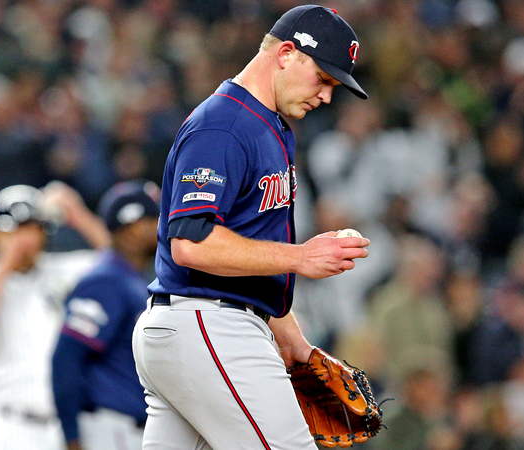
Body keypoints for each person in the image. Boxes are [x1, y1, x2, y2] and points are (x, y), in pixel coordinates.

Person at [132, 5, 371, 450]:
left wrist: (291, 338)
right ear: (286, 53)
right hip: (208, 324)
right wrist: (302, 257)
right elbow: (191, 243)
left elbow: (250, 248)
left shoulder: (268, 125)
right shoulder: (223, 125)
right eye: (323, 79)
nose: (326, 96)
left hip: (202, 326)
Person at [0, 182, 110, 450]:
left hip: (72, 424)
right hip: (13, 425)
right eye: (15, 229)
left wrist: (79, 216)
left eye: (32, 227)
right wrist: (6, 264)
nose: (24, 238)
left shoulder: (62, 269)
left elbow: (120, 262)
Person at [52, 180, 161, 450]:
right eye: (153, 219)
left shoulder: (133, 278)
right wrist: (71, 437)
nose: (162, 226)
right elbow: (66, 359)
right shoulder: (105, 280)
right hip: (112, 430)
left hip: (133, 429)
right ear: (131, 228)